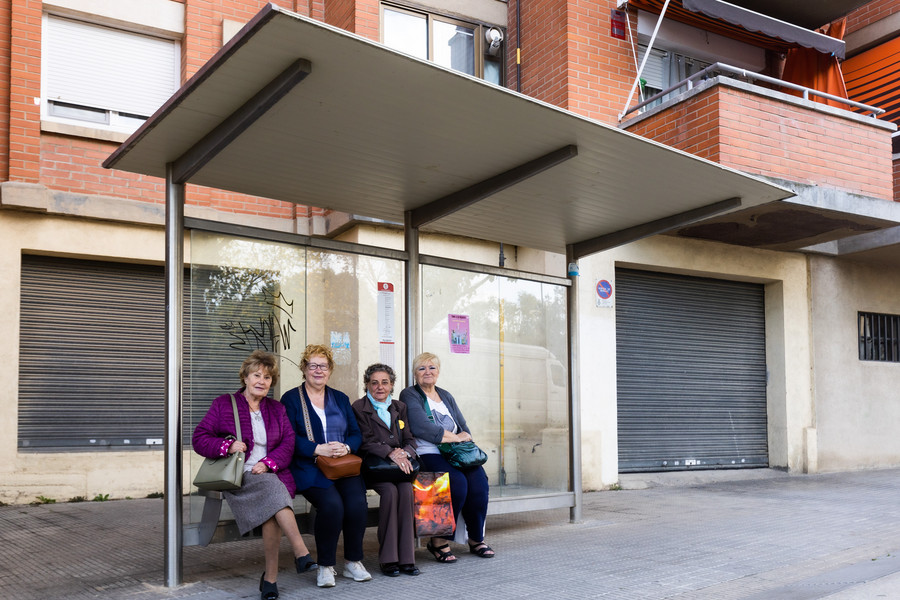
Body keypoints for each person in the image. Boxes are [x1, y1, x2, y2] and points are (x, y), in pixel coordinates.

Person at [192, 350, 316, 600]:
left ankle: (270, 579)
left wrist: (269, 463)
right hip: (239, 476)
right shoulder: (223, 404)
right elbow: (199, 439)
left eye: (268, 377)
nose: (262, 381)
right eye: (256, 375)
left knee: (272, 509)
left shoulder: (276, 408)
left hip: (270, 472)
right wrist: (227, 446)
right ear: (245, 378)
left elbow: (288, 443)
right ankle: (301, 553)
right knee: (274, 492)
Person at [281, 344, 372, 588]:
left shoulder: (340, 398)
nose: (318, 370)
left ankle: (353, 563)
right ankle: (325, 566)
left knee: (356, 505)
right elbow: (287, 436)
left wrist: (347, 448)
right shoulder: (290, 399)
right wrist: (316, 449)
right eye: (313, 365)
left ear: (330, 370)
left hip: (342, 465)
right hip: (309, 466)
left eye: (323, 366)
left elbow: (355, 433)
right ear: (304, 369)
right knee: (332, 506)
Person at [399, 352, 495, 563]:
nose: (427, 372)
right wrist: (457, 438)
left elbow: (463, 425)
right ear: (415, 373)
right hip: (428, 452)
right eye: (421, 368)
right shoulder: (409, 394)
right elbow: (421, 427)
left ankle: (476, 538)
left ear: (438, 371)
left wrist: (464, 439)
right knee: (456, 483)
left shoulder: (446, 395)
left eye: (432, 367)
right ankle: (438, 541)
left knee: (479, 484)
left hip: (455, 451)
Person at [352, 363, 420, 577]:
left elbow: (409, 438)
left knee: (406, 491)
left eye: (385, 382)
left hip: (399, 467)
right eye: (374, 383)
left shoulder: (400, 407)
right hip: (374, 467)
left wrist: (406, 452)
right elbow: (363, 440)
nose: (379, 387)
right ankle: (389, 558)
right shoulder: (359, 407)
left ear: (391, 385)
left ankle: (407, 558)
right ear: (367, 385)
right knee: (390, 492)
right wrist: (389, 453)